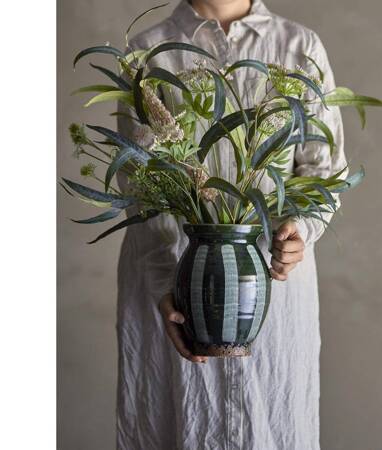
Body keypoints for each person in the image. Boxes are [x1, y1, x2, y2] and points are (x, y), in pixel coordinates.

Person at [116, 0, 346, 448]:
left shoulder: (299, 47)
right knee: (176, 422)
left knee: (274, 420)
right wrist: (167, 284)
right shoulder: (148, 52)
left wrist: (301, 227)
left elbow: (325, 169)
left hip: (270, 281)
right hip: (176, 277)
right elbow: (140, 183)